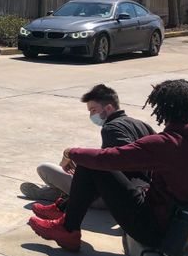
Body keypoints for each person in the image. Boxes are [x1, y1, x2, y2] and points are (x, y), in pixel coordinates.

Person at [28, 79, 188, 252]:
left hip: (154, 228)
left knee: (92, 164)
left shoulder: (169, 143)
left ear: (164, 108)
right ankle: (64, 213)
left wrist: (71, 152)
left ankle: (68, 228)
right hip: (177, 224)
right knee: (94, 162)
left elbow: (111, 159)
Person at [19, 84, 156, 205]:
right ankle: (60, 192)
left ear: (108, 108)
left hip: (114, 196)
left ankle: (53, 194)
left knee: (45, 168)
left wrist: (82, 167)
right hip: (142, 190)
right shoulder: (141, 124)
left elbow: (117, 164)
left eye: (93, 110)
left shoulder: (111, 128)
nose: (91, 115)